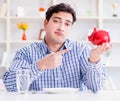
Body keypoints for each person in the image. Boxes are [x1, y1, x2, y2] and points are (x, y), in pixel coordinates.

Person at [3, 3, 111, 93]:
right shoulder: (26, 52)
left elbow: (96, 87)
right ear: (45, 24)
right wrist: (41, 65)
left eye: (67, 24)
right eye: (56, 21)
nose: (61, 28)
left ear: (70, 28)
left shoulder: (81, 50)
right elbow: (10, 86)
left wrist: (94, 60)